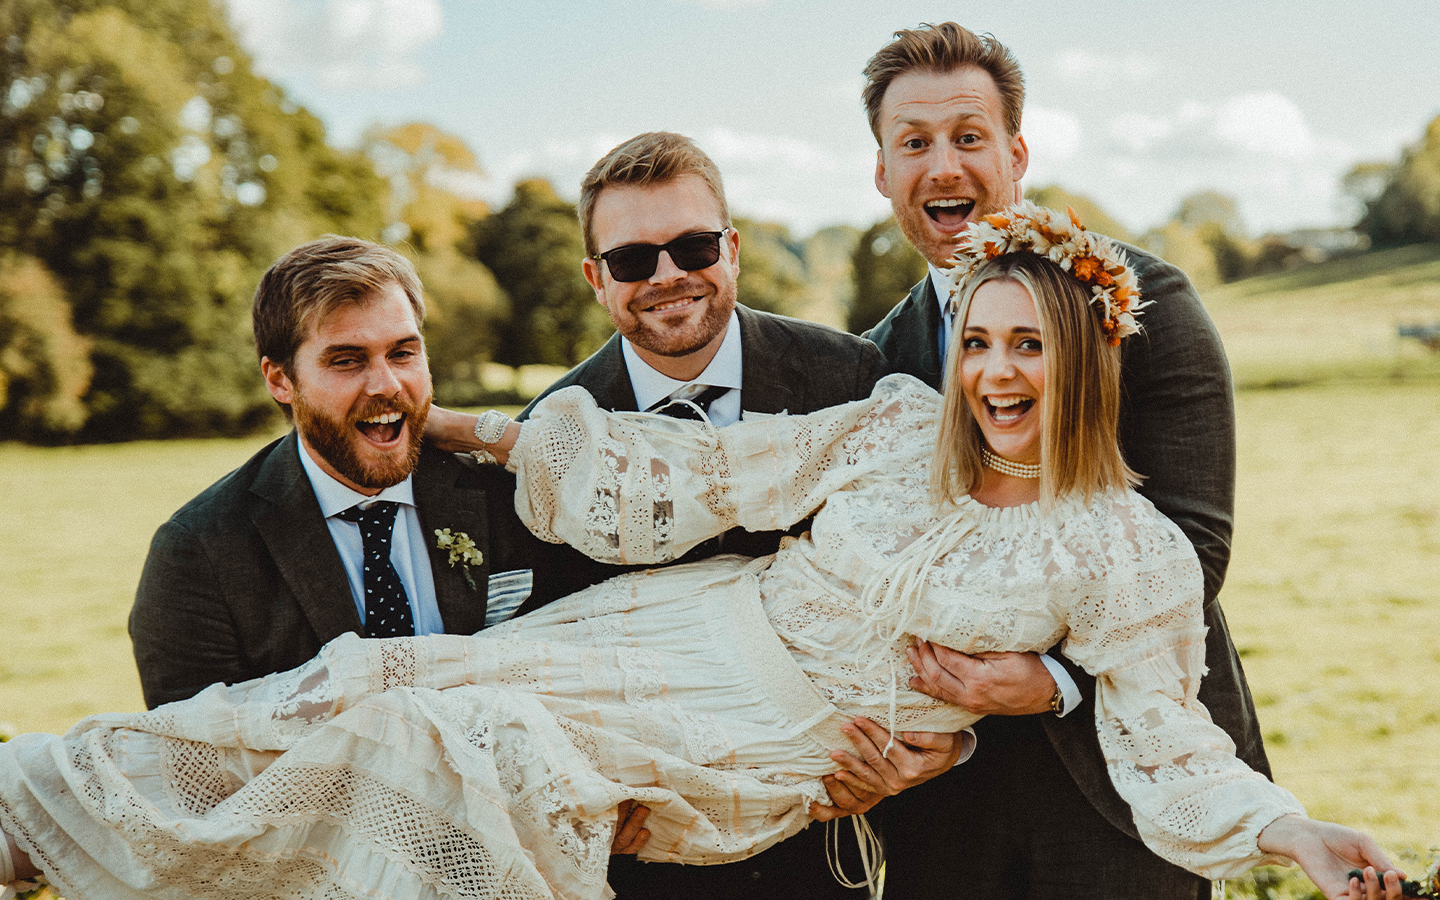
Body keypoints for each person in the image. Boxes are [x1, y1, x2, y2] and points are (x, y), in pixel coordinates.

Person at [0, 204, 1406, 900]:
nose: (994, 373)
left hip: (771, 737)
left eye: (1027, 346)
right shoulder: (892, 425)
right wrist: (459, 421)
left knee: (466, 746)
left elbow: (1173, 738)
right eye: (978, 339)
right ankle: (28, 811)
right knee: (370, 678)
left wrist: (1299, 835)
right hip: (682, 630)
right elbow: (697, 466)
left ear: (1085, 361)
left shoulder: (1126, 552)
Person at [857, 23, 1267, 899]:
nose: (944, 167)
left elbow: (1196, 543)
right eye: (914, 143)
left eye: (969, 137)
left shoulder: (1148, 304)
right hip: (945, 797)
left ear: (1017, 152)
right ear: (883, 173)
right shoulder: (874, 362)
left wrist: (1052, 680)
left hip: (1129, 777)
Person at [514, 130, 962, 898]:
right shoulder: (552, 436)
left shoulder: (850, 376)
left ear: (734, 248)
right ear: (596, 277)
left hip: (823, 848)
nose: (668, 276)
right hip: (649, 859)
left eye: (693, 246)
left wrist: (931, 751)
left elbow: (932, 577)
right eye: (632, 260)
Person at [128, 236, 549, 708]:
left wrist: (482, 432)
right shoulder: (199, 552)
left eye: (403, 353)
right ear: (281, 380)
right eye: (347, 361)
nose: (386, 385)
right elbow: (197, 755)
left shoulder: (506, 489)